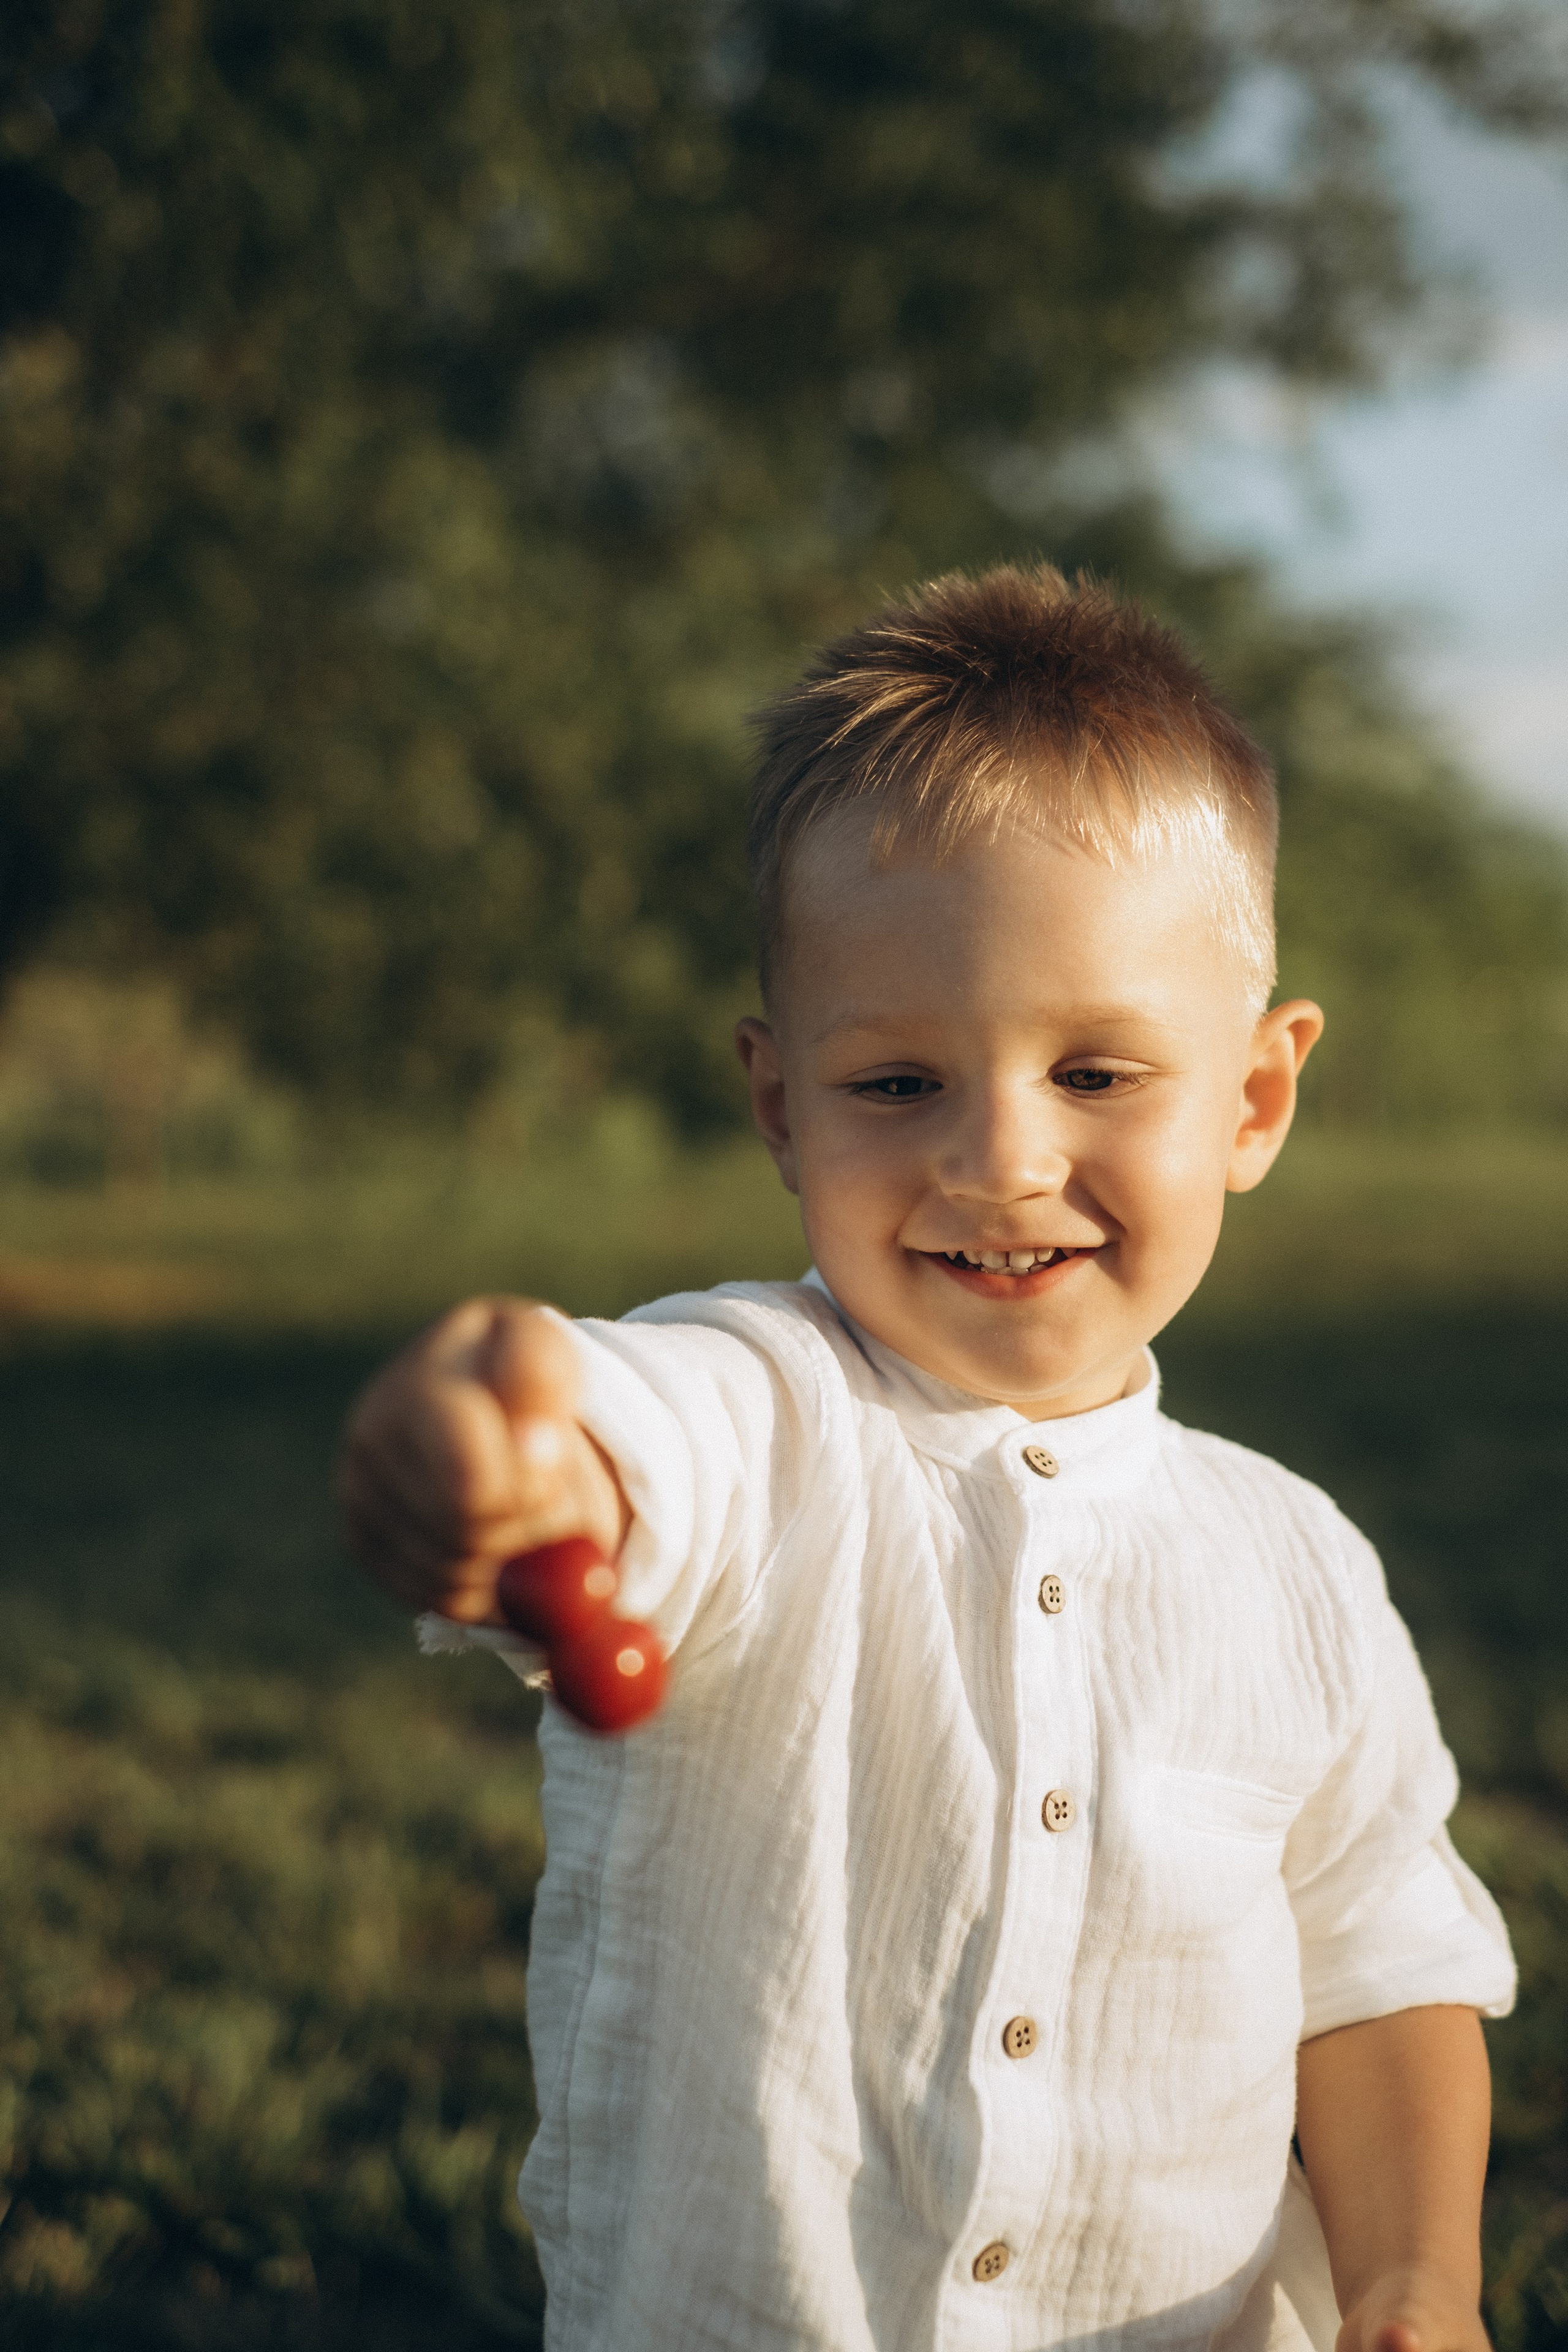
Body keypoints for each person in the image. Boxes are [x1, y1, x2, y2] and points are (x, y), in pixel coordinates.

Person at [340, 564, 1515, 2352]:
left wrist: (1418, 2281)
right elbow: (617, 1431)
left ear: (1256, 1102)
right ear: (779, 1105)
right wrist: (491, 1438)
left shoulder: (1297, 1567)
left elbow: (1381, 1970)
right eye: (898, 1086)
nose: (1000, 1161)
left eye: (1101, 1074)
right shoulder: (763, 1409)